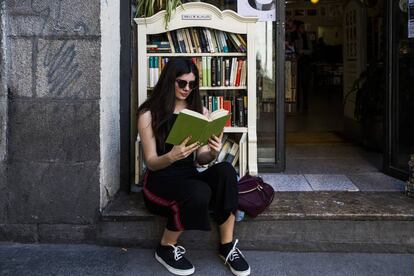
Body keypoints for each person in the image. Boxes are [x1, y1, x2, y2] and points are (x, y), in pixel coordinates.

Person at [137, 58, 250, 276]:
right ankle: (166, 247)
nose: (187, 89)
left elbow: (201, 159)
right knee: (199, 190)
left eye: (192, 84)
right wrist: (171, 156)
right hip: (160, 181)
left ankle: (227, 246)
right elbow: (151, 161)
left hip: (188, 176)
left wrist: (214, 152)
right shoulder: (149, 114)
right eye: (182, 83)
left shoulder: (200, 111)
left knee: (226, 170)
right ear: (169, 81)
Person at [293, 20, 313, 111]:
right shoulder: (293, 35)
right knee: (296, 84)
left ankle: (305, 105)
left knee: (305, 84)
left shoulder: (306, 36)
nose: (303, 29)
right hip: (296, 62)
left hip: (305, 63)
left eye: (303, 27)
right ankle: (296, 105)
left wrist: (302, 52)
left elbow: (311, 50)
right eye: (301, 27)